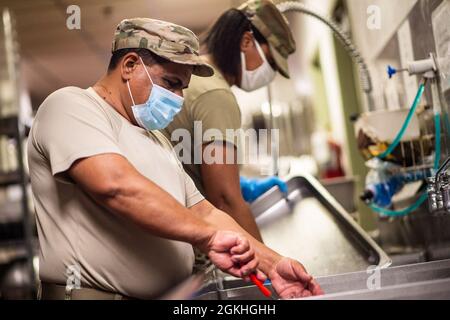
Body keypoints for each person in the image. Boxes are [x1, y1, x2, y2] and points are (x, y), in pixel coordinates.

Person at [28, 17, 322, 300]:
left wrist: (273, 264)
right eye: (170, 83)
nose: (179, 97)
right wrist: (208, 237)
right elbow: (116, 186)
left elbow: (204, 211)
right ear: (130, 65)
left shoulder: (156, 139)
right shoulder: (70, 106)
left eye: (182, 86)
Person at [163, 0, 295, 241]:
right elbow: (224, 200)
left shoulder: (193, 73)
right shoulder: (217, 94)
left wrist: (237, 183)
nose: (270, 72)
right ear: (246, 41)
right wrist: (269, 265)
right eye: (271, 61)